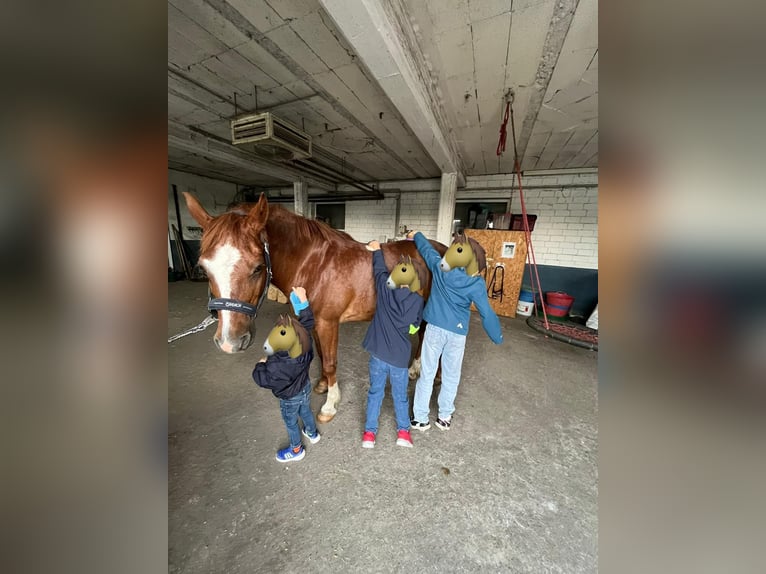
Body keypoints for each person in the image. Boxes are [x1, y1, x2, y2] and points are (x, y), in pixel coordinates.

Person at [407, 230, 503, 431]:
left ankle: (420, 418)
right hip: (457, 334)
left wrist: (417, 234)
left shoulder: (441, 269)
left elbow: (427, 250)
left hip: (434, 329)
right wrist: (497, 336)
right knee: (451, 375)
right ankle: (444, 417)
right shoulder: (476, 283)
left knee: (427, 373)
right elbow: (487, 313)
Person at [361, 240, 424, 448]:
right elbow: (414, 328)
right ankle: (403, 433)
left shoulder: (385, 291)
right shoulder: (417, 301)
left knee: (375, 393)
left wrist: (378, 250)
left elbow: (379, 270)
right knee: (400, 396)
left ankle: (369, 435)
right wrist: (409, 327)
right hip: (399, 358)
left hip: (378, 355)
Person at [252, 286, 320, 462]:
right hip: (304, 386)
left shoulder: (275, 365)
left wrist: (260, 365)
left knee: (291, 423)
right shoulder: (304, 342)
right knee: (305, 411)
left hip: (289, 397)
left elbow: (262, 379)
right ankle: (312, 433)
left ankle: (296, 450)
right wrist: (303, 301)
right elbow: (307, 321)